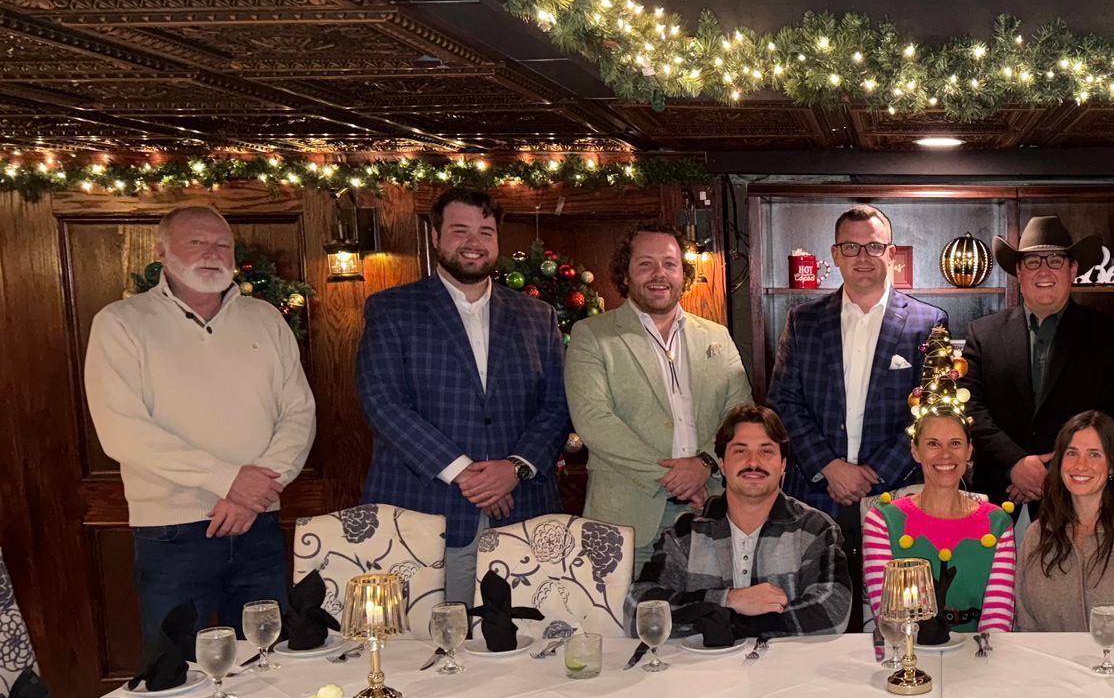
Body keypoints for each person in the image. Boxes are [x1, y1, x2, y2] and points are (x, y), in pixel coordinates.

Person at [85, 205, 315, 644]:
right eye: (196, 242)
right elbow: (121, 429)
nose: (211, 253)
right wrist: (227, 480)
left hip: (258, 522)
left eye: (222, 244)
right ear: (162, 251)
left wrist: (255, 493)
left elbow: (299, 413)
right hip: (172, 531)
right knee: (176, 665)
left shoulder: (265, 318)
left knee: (268, 659)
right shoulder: (121, 322)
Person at [357, 187, 571, 606]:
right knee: (428, 640)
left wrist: (515, 468)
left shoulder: (537, 315)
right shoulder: (392, 309)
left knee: (527, 638)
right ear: (436, 237)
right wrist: (464, 473)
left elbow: (557, 406)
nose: (474, 242)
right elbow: (382, 403)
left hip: (524, 512)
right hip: (424, 513)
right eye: (460, 230)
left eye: (485, 232)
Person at [767, 204, 944, 625]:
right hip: (814, 494)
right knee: (815, 617)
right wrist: (830, 467)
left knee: (898, 616)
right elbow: (783, 401)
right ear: (835, 254)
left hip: (895, 492)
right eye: (851, 247)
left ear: (891, 253)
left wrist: (873, 473)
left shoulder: (929, 322)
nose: (863, 257)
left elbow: (930, 412)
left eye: (873, 246)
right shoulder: (803, 320)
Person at [564, 220, 750, 553]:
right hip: (625, 521)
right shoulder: (592, 335)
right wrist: (674, 478)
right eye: (645, 264)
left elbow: (740, 414)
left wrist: (704, 463)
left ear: (683, 274)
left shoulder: (717, 336)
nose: (659, 274)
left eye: (669, 264)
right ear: (625, 274)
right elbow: (594, 421)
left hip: (710, 510)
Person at [962, 216, 1114, 507]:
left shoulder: (1109, 335)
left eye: (1055, 260)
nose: (1044, 270)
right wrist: (1015, 464)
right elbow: (970, 408)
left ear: (1073, 270)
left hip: (1077, 496)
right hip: (997, 494)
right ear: (1019, 271)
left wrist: (1054, 470)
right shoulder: (983, 334)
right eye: (1032, 262)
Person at [634, 404, 852, 636]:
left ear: (783, 465)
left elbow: (832, 612)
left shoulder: (814, 529)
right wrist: (729, 600)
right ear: (722, 464)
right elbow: (639, 608)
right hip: (701, 661)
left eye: (766, 451)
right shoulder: (686, 532)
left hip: (782, 661)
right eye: (740, 451)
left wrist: (729, 623)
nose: (753, 462)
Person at [860, 330, 1017, 634]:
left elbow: (997, 623)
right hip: (911, 651)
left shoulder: (998, 523)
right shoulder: (882, 521)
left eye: (955, 443)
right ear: (915, 451)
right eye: (933, 444)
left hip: (979, 655)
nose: (945, 454)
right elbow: (889, 618)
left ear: (969, 451)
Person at [1015, 410, 1114, 632]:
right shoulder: (1037, 534)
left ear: (1112, 465)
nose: (1080, 465)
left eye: (1094, 454)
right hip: (1046, 655)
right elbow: (1025, 623)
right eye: (1072, 453)